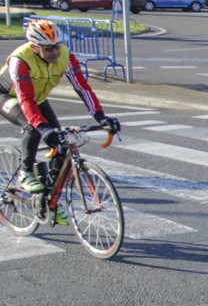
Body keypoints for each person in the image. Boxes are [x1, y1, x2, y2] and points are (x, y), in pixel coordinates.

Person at [0, 19, 120, 224]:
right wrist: (43, 127)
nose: (55, 52)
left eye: (57, 45)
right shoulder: (20, 60)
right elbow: (26, 100)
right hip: (8, 96)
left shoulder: (65, 55)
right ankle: (25, 172)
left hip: (38, 98)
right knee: (34, 127)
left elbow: (82, 87)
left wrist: (101, 117)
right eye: (48, 48)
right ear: (35, 47)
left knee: (62, 145)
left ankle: (48, 200)